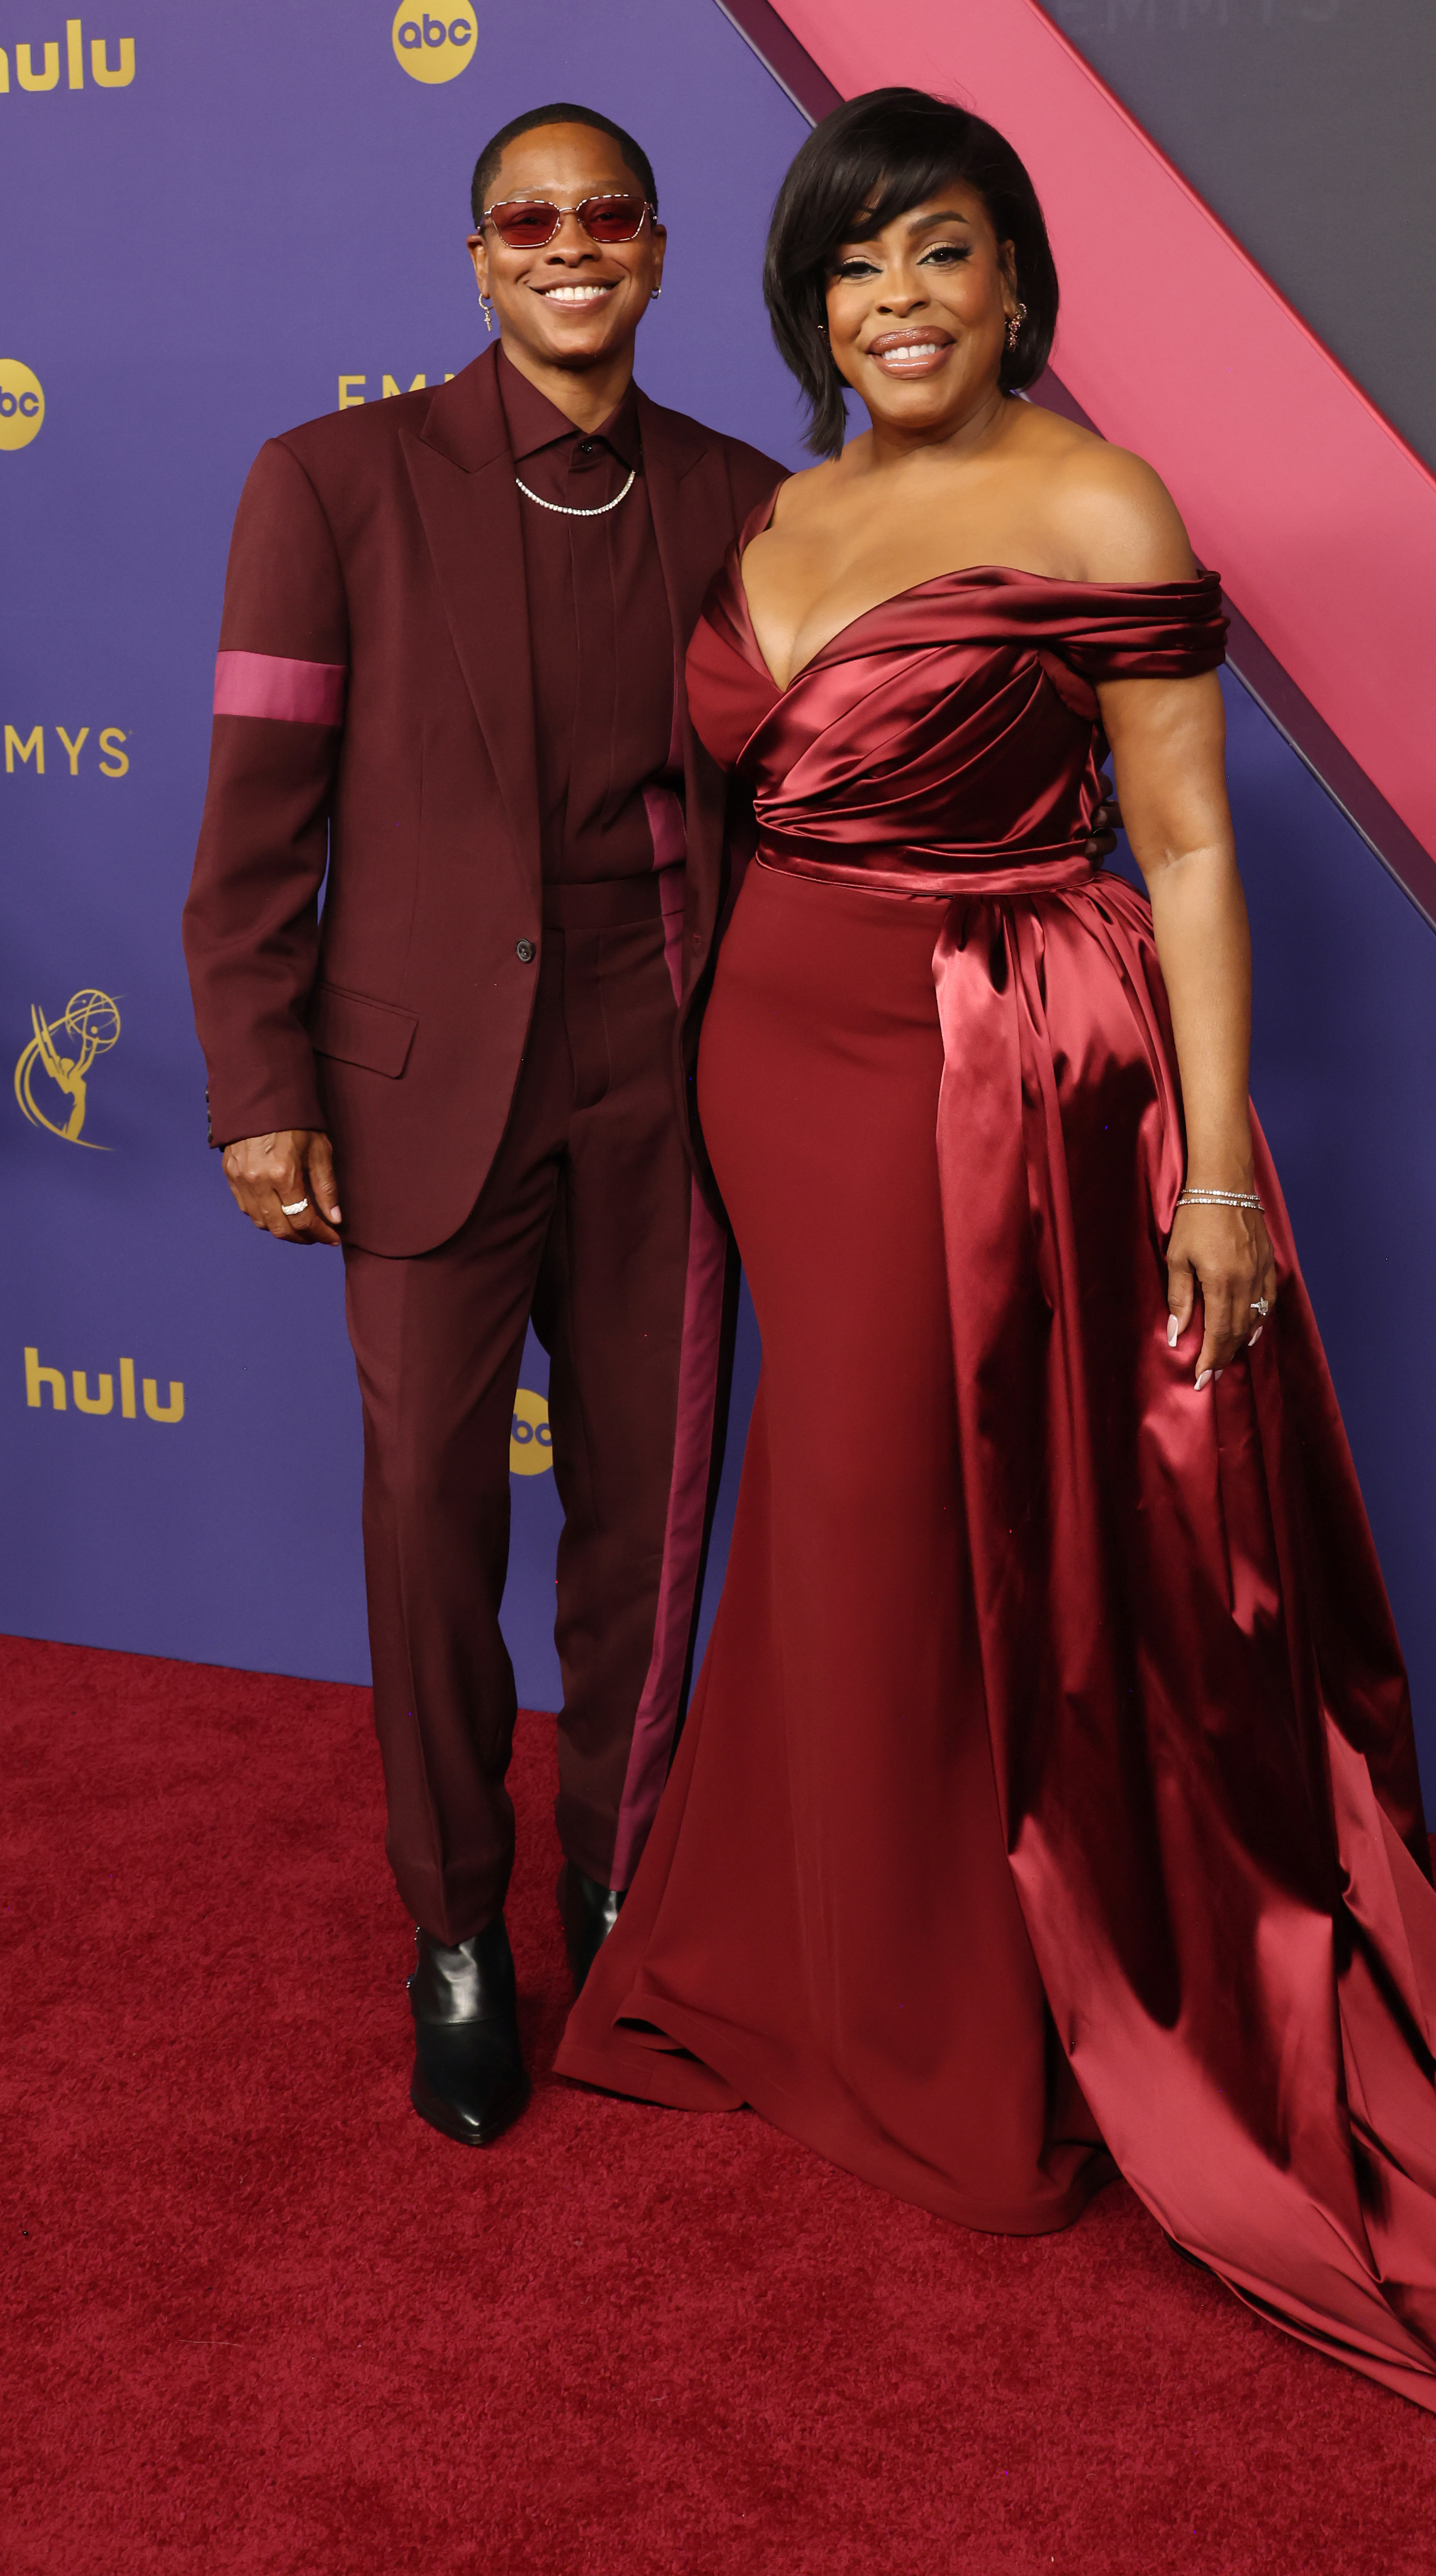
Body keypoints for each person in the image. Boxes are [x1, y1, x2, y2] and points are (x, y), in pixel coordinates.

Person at [556, 87, 1436, 2464]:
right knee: (834, 1530)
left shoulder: (1097, 502)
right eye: (853, 264)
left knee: (943, 1526)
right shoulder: (787, 513)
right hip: (780, 1060)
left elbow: (1179, 852)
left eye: (940, 252)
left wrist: (1219, 1172)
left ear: (1017, 281)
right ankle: (798, 1965)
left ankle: (968, 2021)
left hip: (984, 1065)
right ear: (808, 303)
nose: (897, 301)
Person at [183, 103, 785, 2147]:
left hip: (673, 1078)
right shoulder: (330, 483)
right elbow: (254, 832)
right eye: (529, 220)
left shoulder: (744, 499)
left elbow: (796, 815)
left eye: (606, 215)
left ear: (658, 248)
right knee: (431, 1522)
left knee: (651, 1516)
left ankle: (620, 1889)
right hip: (419, 1087)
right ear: (478, 261)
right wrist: (261, 1089)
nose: (569, 245)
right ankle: (456, 1932)